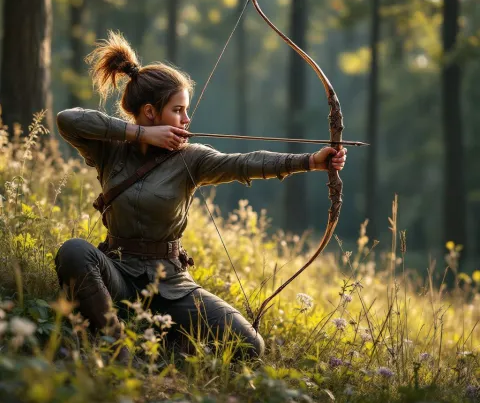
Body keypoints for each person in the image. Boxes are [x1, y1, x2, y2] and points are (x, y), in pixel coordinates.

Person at [55, 31, 347, 361]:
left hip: (171, 285)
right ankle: (120, 349)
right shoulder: (110, 151)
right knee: (75, 251)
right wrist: (139, 133)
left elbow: (242, 164)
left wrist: (310, 162)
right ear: (151, 113)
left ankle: (162, 351)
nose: (186, 119)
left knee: (249, 345)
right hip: (117, 275)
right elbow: (67, 120)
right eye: (178, 110)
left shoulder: (191, 157)